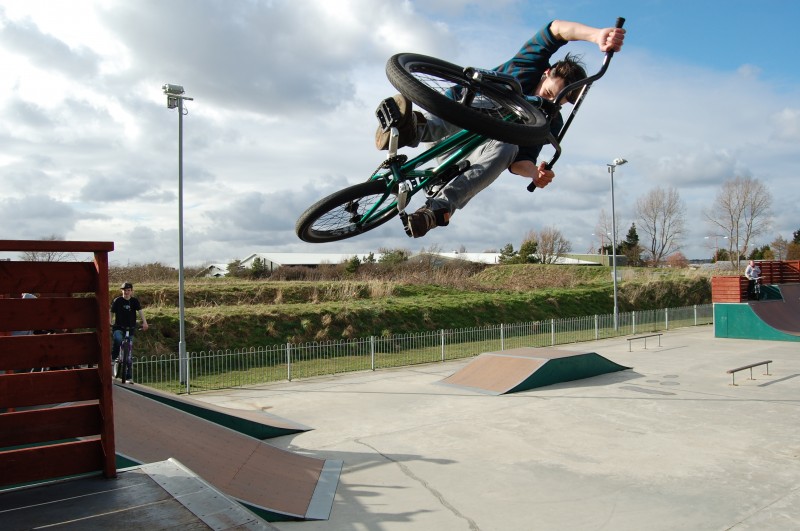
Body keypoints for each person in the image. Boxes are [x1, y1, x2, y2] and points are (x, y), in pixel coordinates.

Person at [375, 19, 626, 237]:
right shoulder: (527, 67)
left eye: (555, 103)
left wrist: (534, 174)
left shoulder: (550, 121)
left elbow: (520, 161)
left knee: (508, 147)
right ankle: (412, 129)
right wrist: (595, 36)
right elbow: (555, 30)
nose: (546, 103)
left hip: (467, 159)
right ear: (546, 73)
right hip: (446, 124)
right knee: (504, 99)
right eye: (548, 93)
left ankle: (435, 211)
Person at [110, 282, 149, 382]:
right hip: (119, 327)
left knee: (129, 354)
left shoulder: (134, 301)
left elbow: (140, 312)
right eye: (124, 290)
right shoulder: (118, 301)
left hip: (130, 328)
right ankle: (113, 358)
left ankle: (128, 376)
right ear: (121, 291)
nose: (126, 292)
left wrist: (145, 323)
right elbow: (111, 312)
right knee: (118, 339)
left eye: (128, 290)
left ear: (131, 291)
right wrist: (110, 322)